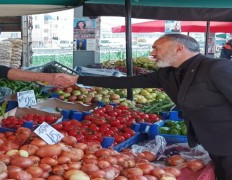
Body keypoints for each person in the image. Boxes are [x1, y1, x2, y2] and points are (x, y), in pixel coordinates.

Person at [66, 34, 232, 180]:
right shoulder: (167, 73)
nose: (152, 53)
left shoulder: (216, 67)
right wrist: (77, 80)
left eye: (156, 48)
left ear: (179, 48)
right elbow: (123, 82)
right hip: (211, 142)